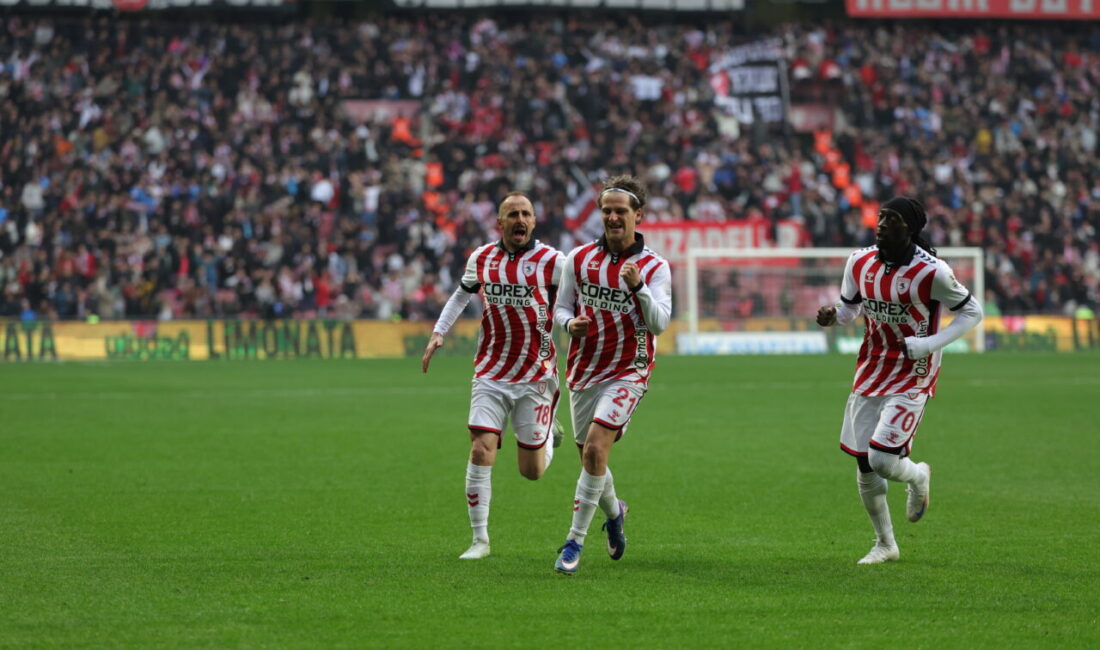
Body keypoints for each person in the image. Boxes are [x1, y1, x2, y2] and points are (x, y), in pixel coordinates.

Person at [816, 197, 984, 564]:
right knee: (864, 463)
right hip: (872, 367)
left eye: (891, 219)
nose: (880, 225)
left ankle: (918, 476)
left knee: (880, 457)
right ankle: (885, 544)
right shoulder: (859, 262)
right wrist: (833, 316)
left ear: (909, 227)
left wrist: (929, 344)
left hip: (914, 372)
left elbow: (973, 312)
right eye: (880, 217)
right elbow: (850, 309)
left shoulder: (932, 272)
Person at [422, 192, 565, 560]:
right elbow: (461, 295)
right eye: (512, 214)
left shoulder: (553, 262)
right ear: (500, 223)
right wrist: (439, 331)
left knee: (531, 472)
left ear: (534, 221)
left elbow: (575, 298)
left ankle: (549, 435)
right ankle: (480, 540)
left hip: (535, 375)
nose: (520, 219)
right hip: (491, 371)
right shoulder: (482, 258)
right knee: (480, 448)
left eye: (526, 214)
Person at [551, 175, 672, 575]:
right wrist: (569, 325)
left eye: (621, 211)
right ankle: (615, 511)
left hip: (629, 370)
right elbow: (561, 308)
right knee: (591, 458)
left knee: (594, 450)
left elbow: (659, 323)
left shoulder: (654, 267)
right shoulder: (579, 259)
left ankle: (574, 542)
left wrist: (639, 288)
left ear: (639, 215)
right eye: (607, 211)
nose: (613, 217)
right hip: (584, 369)